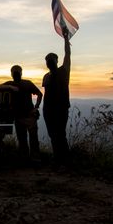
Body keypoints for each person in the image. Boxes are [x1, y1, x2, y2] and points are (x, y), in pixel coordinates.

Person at [0, 65, 42, 160]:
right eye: (15, 71)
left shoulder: (27, 83)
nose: (16, 73)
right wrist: (10, 86)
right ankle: (28, 159)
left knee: (31, 140)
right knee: (24, 140)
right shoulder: (12, 83)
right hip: (19, 117)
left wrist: (36, 107)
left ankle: (33, 159)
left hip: (29, 116)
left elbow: (40, 94)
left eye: (17, 71)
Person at [42, 33, 71, 167]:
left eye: (52, 59)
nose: (50, 61)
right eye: (48, 59)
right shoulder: (46, 77)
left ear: (56, 61)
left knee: (60, 134)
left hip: (61, 108)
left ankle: (64, 160)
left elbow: (67, 54)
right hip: (48, 110)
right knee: (53, 135)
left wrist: (66, 39)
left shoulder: (64, 71)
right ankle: (57, 158)